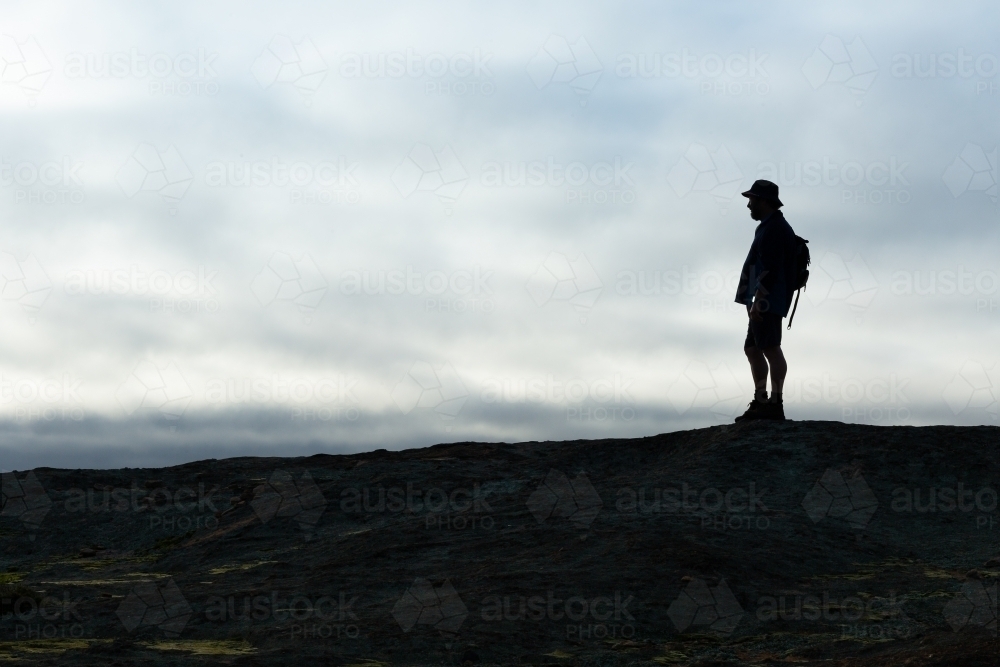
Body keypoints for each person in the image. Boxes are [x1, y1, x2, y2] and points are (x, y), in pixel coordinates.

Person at [734, 180, 798, 421]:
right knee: (752, 348)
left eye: (752, 199)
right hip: (764, 298)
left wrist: (759, 299)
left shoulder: (774, 228)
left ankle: (775, 404)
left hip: (768, 298)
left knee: (770, 348)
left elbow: (770, 268)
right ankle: (762, 403)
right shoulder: (769, 226)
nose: (749, 204)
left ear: (763, 201)